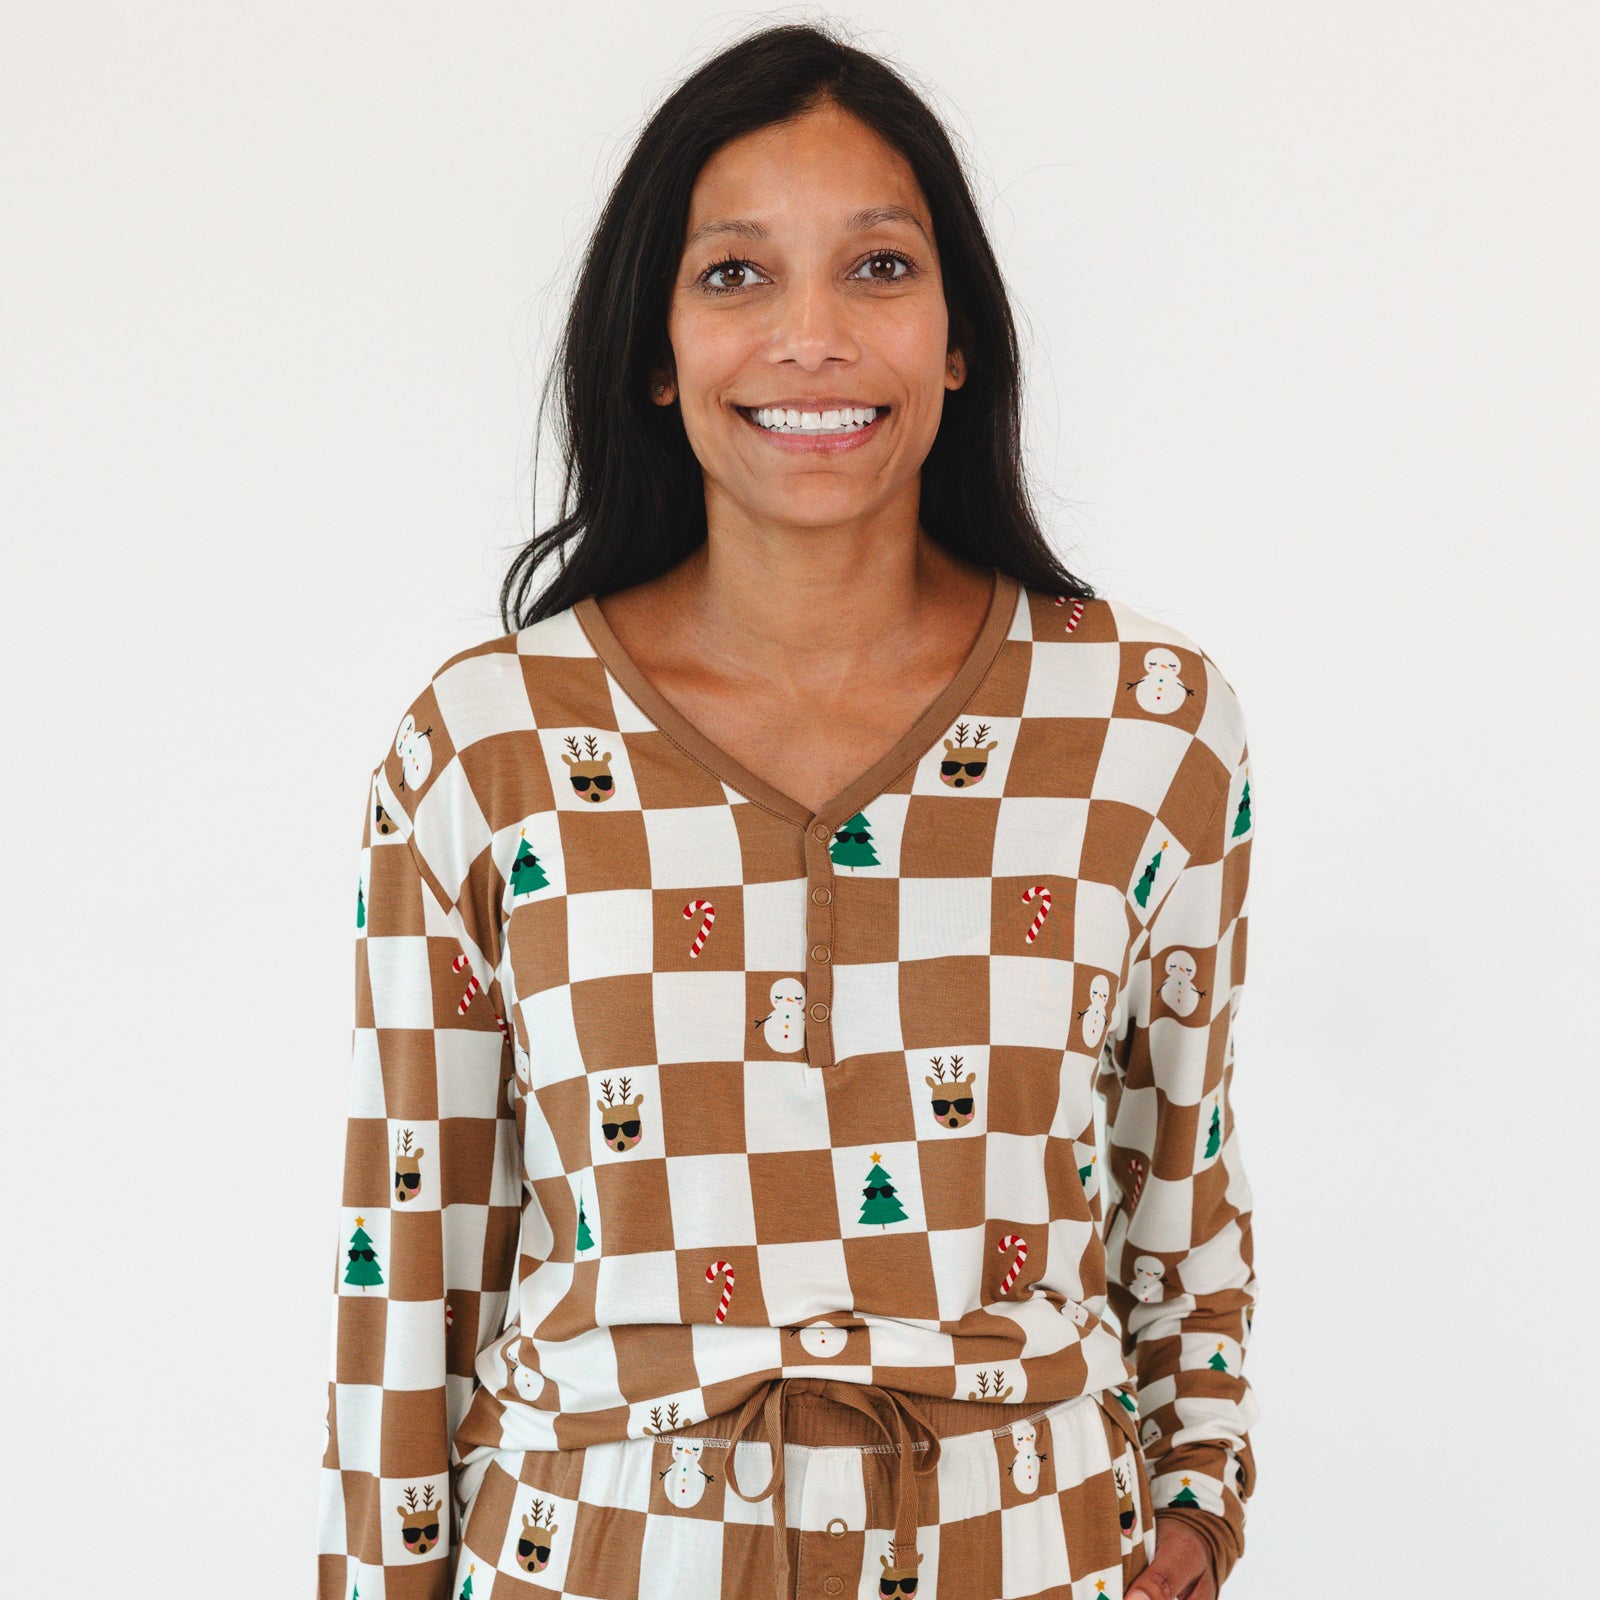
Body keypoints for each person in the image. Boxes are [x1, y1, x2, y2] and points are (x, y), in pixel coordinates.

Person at [314, 21, 1262, 1600]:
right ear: (655, 346)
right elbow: (415, 1248)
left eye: (879, 270)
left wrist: (1202, 1494)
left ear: (961, 337)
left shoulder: (1143, 727)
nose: (811, 336)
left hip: (1019, 1550)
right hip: (597, 1555)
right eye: (736, 274)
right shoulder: (485, 742)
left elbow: (1185, 1161)